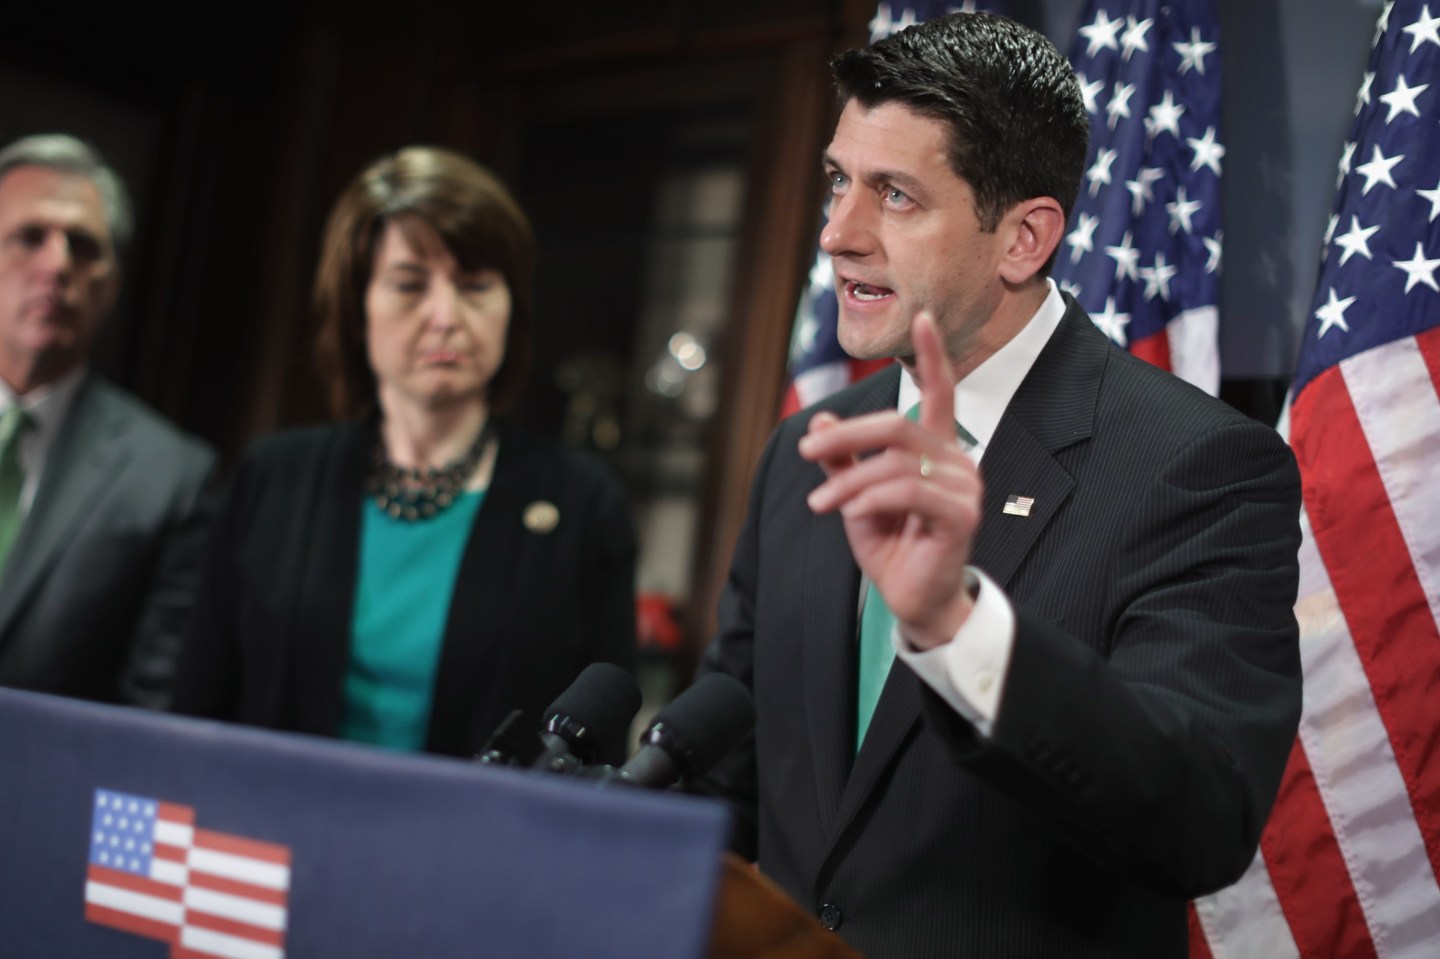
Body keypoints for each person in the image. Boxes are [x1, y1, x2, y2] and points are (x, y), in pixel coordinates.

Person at [696, 14, 1302, 959]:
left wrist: (955, 625)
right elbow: (731, 775)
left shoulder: (1198, 465)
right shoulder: (809, 449)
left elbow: (1201, 815)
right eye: (838, 182)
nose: (837, 234)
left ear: (1023, 238)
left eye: (894, 195)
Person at [171, 146, 638, 759]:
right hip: (270, 838)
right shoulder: (271, 477)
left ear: (512, 309)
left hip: (484, 849)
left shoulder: (582, 501)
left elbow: (599, 753)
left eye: (474, 286)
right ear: (356, 307)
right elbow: (195, 712)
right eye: (410, 285)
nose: (445, 316)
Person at [0, 134, 217, 708]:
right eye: (29, 237)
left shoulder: (172, 476)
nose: (56, 265)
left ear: (112, 286)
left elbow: (151, 708)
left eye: (83, 247)